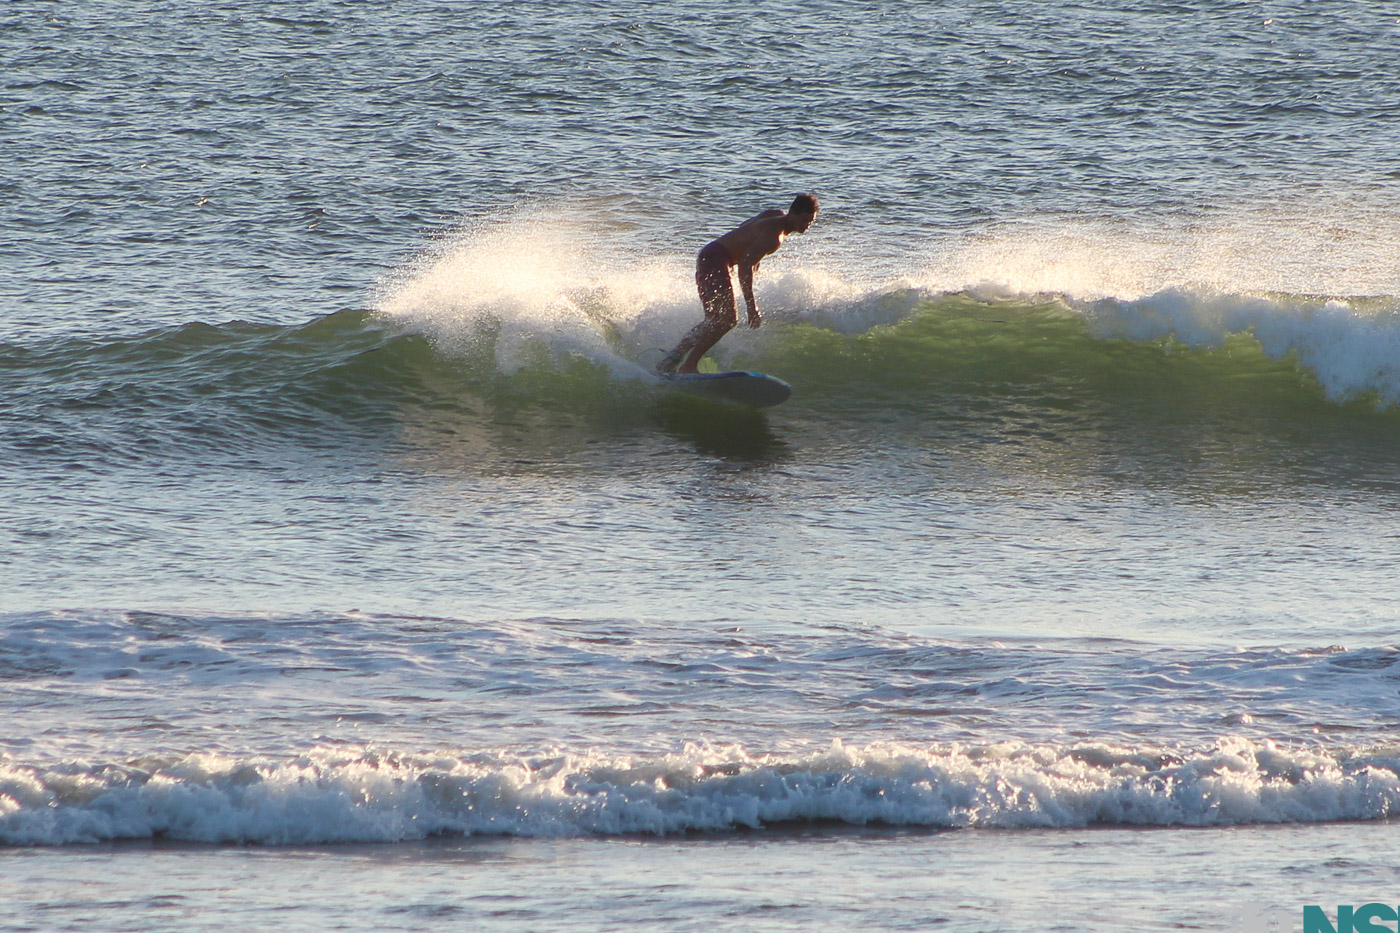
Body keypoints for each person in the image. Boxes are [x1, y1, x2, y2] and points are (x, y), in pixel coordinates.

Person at [657, 193, 819, 374]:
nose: (806, 225)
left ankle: (670, 361)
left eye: (810, 222)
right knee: (727, 320)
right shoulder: (774, 238)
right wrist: (751, 306)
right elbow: (744, 268)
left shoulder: (774, 214)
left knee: (713, 321)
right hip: (715, 260)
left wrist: (749, 255)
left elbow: (745, 227)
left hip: (711, 254)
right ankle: (688, 366)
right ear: (792, 212)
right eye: (803, 220)